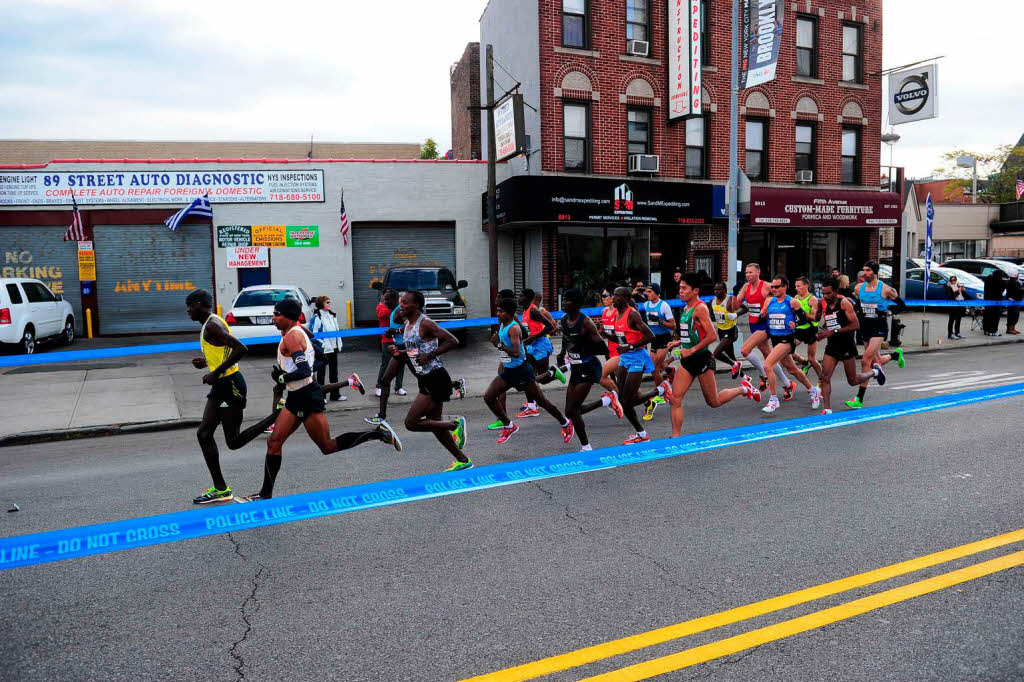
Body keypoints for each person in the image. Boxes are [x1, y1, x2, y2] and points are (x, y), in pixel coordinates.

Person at [238, 298, 401, 502]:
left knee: (327, 446)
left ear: (288, 317)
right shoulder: (295, 332)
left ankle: (377, 433)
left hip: (306, 396)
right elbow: (310, 343)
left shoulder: (292, 337)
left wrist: (282, 377)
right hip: (296, 396)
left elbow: (304, 370)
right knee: (274, 442)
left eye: (277, 314)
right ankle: (265, 494)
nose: (273, 318)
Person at [186, 289, 281, 504]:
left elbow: (241, 349)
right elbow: (225, 351)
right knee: (203, 434)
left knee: (234, 442)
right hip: (221, 386)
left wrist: (215, 372)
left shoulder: (212, 325)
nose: (188, 311)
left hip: (230, 386)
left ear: (200, 304)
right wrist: (208, 363)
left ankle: (276, 415)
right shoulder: (211, 324)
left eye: (190, 305)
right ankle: (221, 489)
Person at [667, 273, 760, 437]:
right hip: (687, 361)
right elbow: (693, 333)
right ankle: (676, 438)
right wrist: (679, 342)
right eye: (679, 288)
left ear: (695, 291)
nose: (680, 291)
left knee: (714, 401)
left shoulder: (700, 308)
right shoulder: (686, 308)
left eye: (684, 288)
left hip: (702, 359)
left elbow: (712, 336)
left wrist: (690, 350)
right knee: (675, 399)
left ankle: (743, 388)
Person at [392, 290, 472, 471]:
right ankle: (463, 460)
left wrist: (429, 356)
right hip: (425, 377)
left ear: (417, 305)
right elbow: (416, 349)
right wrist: (401, 353)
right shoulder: (407, 323)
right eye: (400, 302)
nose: (401, 306)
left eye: (405, 303)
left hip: (435, 377)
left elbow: (453, 341)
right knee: (436, 425)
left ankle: (455, 424)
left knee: (411, 423)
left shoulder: (426, 323)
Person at [483, 298, 573, 445]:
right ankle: (509, 425)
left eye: (501, 311)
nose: (498, 314)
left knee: (542, 401)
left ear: (510, 313)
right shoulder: (503, 324)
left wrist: (498, 344)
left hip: (521, 371)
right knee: (488, 397)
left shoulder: (513, 328)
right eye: (497, 311)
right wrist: (498, 343)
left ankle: (565, 423)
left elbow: (516, 352)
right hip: (509, 371)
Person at [555, 289, 621, 451]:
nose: (563, 303)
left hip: (589, 367)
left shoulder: (586, 323)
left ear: (576, 304)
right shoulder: (564, 320)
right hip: (577, 367)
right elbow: (566, 340)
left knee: (572, 410)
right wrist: (562, 354)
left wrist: (583, 347)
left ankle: (587, 446)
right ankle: (606, 402)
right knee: (570, 411)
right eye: (563, 300)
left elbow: (602, 348)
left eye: (567, 301)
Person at [607, 286, 672, 444]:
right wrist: (605, 335)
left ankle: (661, 389)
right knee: (623, 400)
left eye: (616, 296)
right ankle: (642, 434)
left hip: (637, 357)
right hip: (625, 358)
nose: (612, 298)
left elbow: (650, 336)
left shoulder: (633, 314)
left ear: (624, 298)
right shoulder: (617, 313)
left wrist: (629, 347)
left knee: (627, 400)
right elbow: (622, 339)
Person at [816, 279, 886, 414]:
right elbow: (821, 319)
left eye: (828, 293)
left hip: (846, 344)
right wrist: (819, 324)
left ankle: (875, 372)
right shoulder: (823, 303)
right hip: (832, 345)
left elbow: (855, 325)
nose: (825, 296)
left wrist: (833, 331)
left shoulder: (844, 303)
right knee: (825, 377)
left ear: (836, 292)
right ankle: (827, 408)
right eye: (823, 294)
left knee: (853, 380)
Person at [846, 261, 906, 409]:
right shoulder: (859, 288)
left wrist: (888, 313)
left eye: (867, 270)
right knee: (875, 361)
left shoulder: (885, 289)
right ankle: (895, 356)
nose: (864, 273)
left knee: (865, 360)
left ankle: (859, 399)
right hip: (865, 326)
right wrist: (857, 311)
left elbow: (902, 305)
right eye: (863, 270)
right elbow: (858, 305)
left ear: (874, 272)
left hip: (879, 327)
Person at [759, 277, 820, 414]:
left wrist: (796, 325)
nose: (774, 289)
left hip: (787, 339)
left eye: (777, 287)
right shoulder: (769, 301)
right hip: (775, 339)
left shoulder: (793, 302)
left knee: (767, 365)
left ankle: (773, 399)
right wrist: (762, 314)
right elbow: (762, 317)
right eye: (772, 287)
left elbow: (804, 318)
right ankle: (813, 391)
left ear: (785, 287)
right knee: (793, 370)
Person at [732, 263, 793, 395]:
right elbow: (735, 306)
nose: (747, 275)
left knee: (744, 350)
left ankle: (764, 375)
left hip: (765, 325)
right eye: (746, 272)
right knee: (769, 356)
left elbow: (782, 297)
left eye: (750, 272)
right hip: (753, 324)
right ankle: (788, 383)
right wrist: (735, 293)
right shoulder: (745, 287)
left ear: (758, 273)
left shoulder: (767, 285)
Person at [516, 288, 566, 418]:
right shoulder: (525, 311)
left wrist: (533, 338)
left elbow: (550, 327)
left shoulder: (534, 310)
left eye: (521, 296)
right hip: (532, 346)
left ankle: (556, 371)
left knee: (542, 379)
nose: (518, 298)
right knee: (528, 374)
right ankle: (532, 406)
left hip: (541, 345)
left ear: (528, 298)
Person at [641, 283, 677, 421]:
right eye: (646, 292)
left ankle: (661, 391)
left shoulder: (664, 306)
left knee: (653, 366)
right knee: (659, 365)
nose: (647, 294)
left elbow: (673, 325)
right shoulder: (646, 305)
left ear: (656, 293)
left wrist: (660, 321)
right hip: (653, 338)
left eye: (649, 292)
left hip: (664, 338)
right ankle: (670, 371)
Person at [309, 295, 343, 401]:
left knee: (334, 373)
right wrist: (323, 345)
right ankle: (321, 396)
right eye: (327, 302)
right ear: (321, 304)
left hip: (333, 348)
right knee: (321, 375)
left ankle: (335, 395)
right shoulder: (317, 317)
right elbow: (313, 335)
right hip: (323, 350)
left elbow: (336, 331)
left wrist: (338, 344)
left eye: (329, 302)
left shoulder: (332, 315)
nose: (329, 303)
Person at [374, 289, 406, 398]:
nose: (385, 301)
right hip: (387, 340)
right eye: (384, 298)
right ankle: (379, 386)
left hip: (399, 341)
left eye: (387, 299)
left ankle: (398, 387)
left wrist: (398, 307)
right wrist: (393, 307)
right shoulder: (381, 306)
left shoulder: (399, 309)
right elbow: (381, 314)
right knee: (386, 364)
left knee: (401, 364)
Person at [790, 276, 823, 381]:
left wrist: (802, 313)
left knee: (812, 359)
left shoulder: (812, 299)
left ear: (806, 286)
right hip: (799, 329)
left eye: (799, 286)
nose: (796, 288)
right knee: (788, 350)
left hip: (810, 330)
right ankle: (804, 363)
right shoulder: (795, 298)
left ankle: (822, 379)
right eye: (796, 286)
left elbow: (814, 318)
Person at [710, 282, 744, 377]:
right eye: (715, 290)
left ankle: (734, 365)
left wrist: (736, 314)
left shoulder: (730, 300)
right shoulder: (712, 301)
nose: (716, 292)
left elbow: (745, 309)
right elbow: (711, 316)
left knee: (716, 354)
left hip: (731, 330)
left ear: (725, 291)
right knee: (731, 355)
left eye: (719, 290)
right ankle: (744, 376)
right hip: (721, 330)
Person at [982, 269, 1006, 336]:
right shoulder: (998, 282)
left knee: (987, 316)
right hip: (996, 302)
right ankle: (993, 331)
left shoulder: (988, 280)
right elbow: (1001, 290)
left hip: (988, 301)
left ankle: (986, 330)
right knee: (995, 317)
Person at [945, 275, 967, 340]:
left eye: (954, 280)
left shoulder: (958, 286)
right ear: (950, 281)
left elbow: (964, 296)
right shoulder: (949, 287)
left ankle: (957, 332)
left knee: (958, 320)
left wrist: (963, 291)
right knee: (951, 320)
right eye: (952, 280)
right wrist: (958, 291)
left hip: (960, 305)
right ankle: (950, 334)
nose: (953, 281)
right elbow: (951, 297)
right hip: (953, 306)